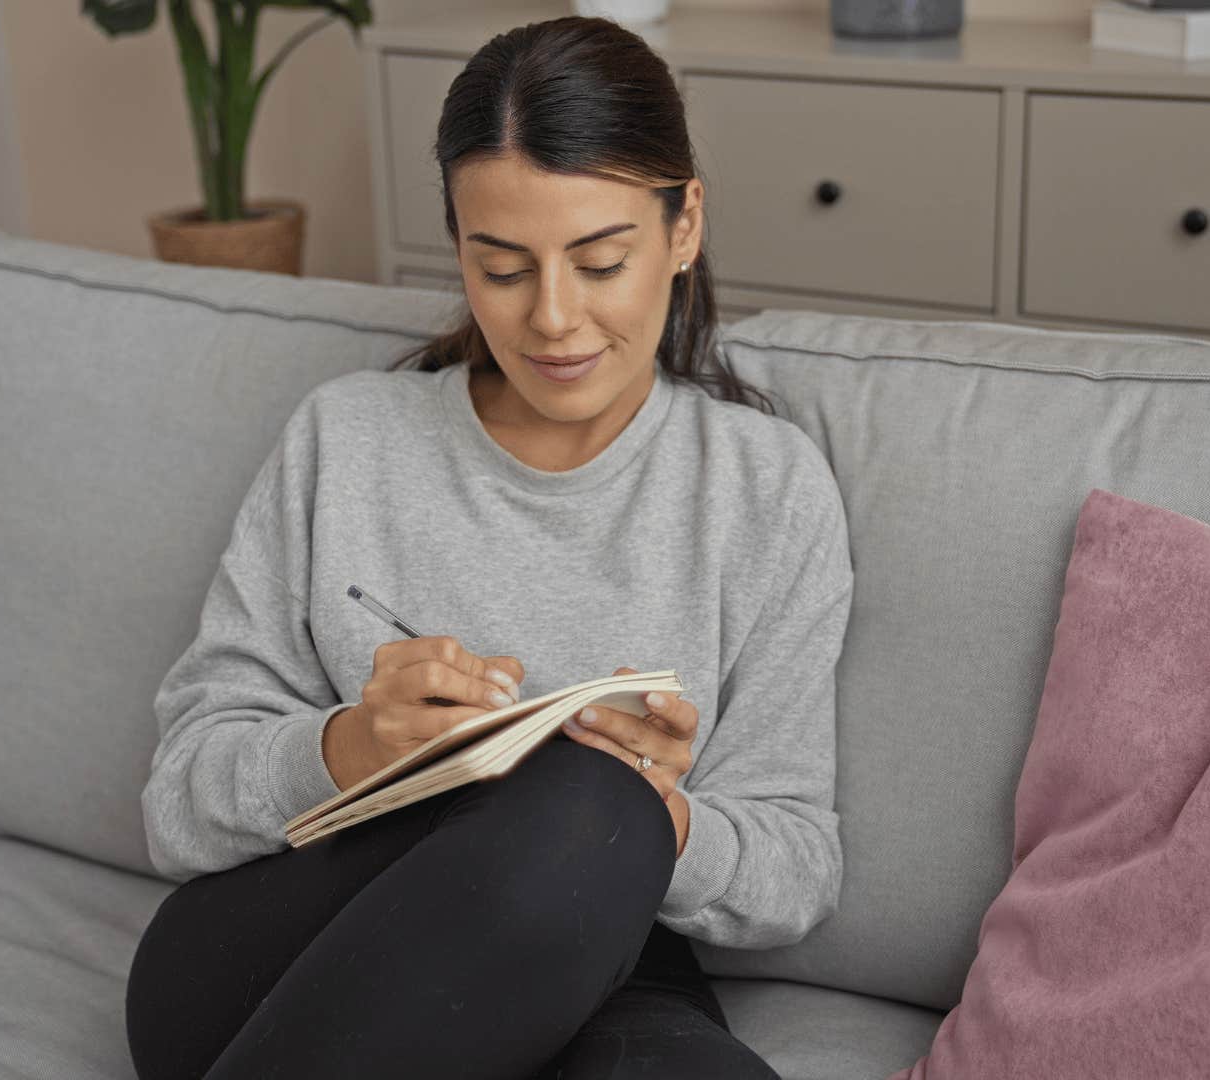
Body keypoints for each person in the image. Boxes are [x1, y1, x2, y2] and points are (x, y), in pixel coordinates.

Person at [123, 15, 854, 1078]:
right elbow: (177, 802)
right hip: (290, 957)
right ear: (457, 242)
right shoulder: (350, 438)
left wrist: (663, 822)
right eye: (503, 267)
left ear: (683, 226)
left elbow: (795, 872)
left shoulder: (766, 489)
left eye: (601, 262)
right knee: (584, 807)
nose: (554, 320)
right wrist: (353, 746)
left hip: (601, 964)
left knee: (605, 841)